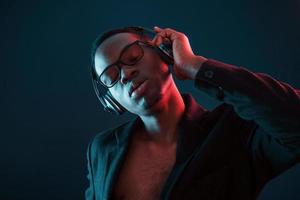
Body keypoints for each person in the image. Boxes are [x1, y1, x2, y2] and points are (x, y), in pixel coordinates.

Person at [85, 26, 300, 200]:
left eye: (133, 57)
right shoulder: (102, 149)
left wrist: (195, 66)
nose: (125, 74)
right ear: (111, 101)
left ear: (164, 53)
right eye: (111, 77)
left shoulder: (234, 132)